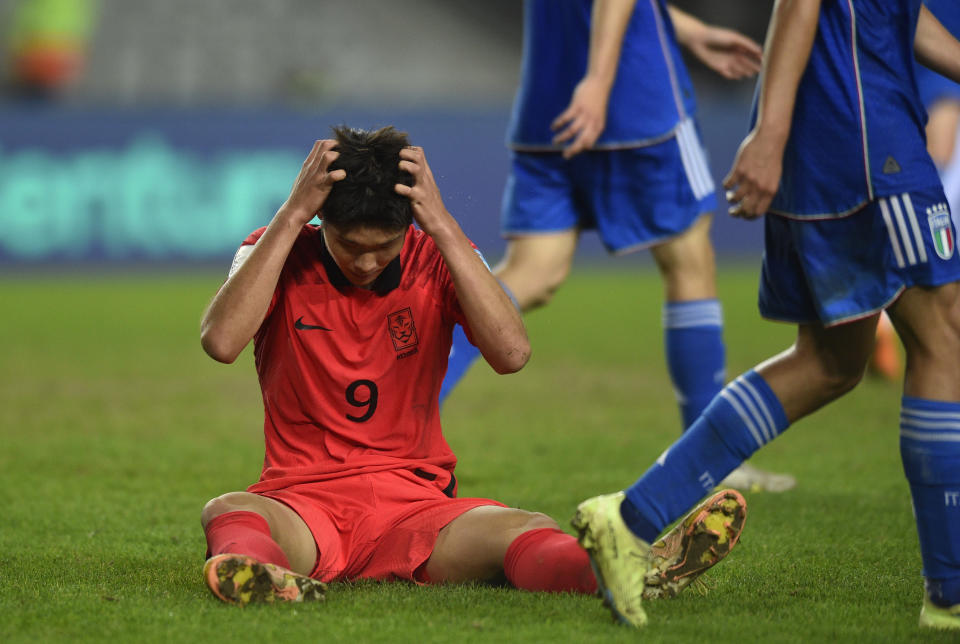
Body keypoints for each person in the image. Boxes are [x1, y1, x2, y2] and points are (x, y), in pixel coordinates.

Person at [197, 125, 746, 605]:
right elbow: (221, 340)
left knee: (526, 528)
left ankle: (636, 570)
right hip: (304, 504)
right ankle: (264, 576)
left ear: (409, 223)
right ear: (320, 219)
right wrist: (292, 213)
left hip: (416, 509)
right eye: (348, 245)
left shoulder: (439, 256)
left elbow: (511, 353)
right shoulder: (276, 251)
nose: (366, 262)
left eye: (383, 247)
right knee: (229, 509)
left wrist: (441, 225)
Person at [571, 0, 960, 629]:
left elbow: (900, 17)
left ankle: (629, 519)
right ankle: (951, 591)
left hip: (840, 133)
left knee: (832, 362)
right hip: (861, 136)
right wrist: (771, 134)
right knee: (945, 334)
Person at [439, 0, 795, 493]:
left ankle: (393, 426)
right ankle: (710, 458)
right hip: (636, 101)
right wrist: (601, 82)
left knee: (531, 273)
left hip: (549, 103)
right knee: (690, 263)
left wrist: (685, 30)